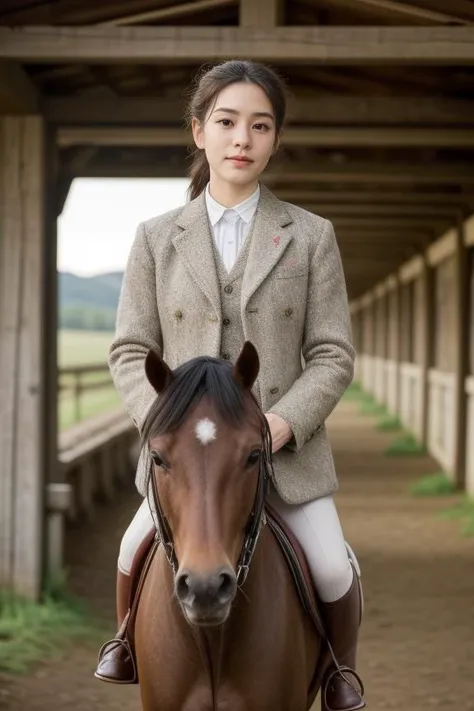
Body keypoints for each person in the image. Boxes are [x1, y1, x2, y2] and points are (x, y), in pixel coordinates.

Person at [94, 59, 365, 710]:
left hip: (281, 452)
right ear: (199, 132)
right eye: (226, 122)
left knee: (331, 563)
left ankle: (339, 673)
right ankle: (126, 645)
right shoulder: (156, 238)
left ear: (274, 139)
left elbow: (333, 352)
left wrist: (284, 422)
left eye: (260, 125)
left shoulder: (311, 235)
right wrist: (163, 425)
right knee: (134, 549)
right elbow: (130, 347)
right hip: (187, 458)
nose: (242, 137)